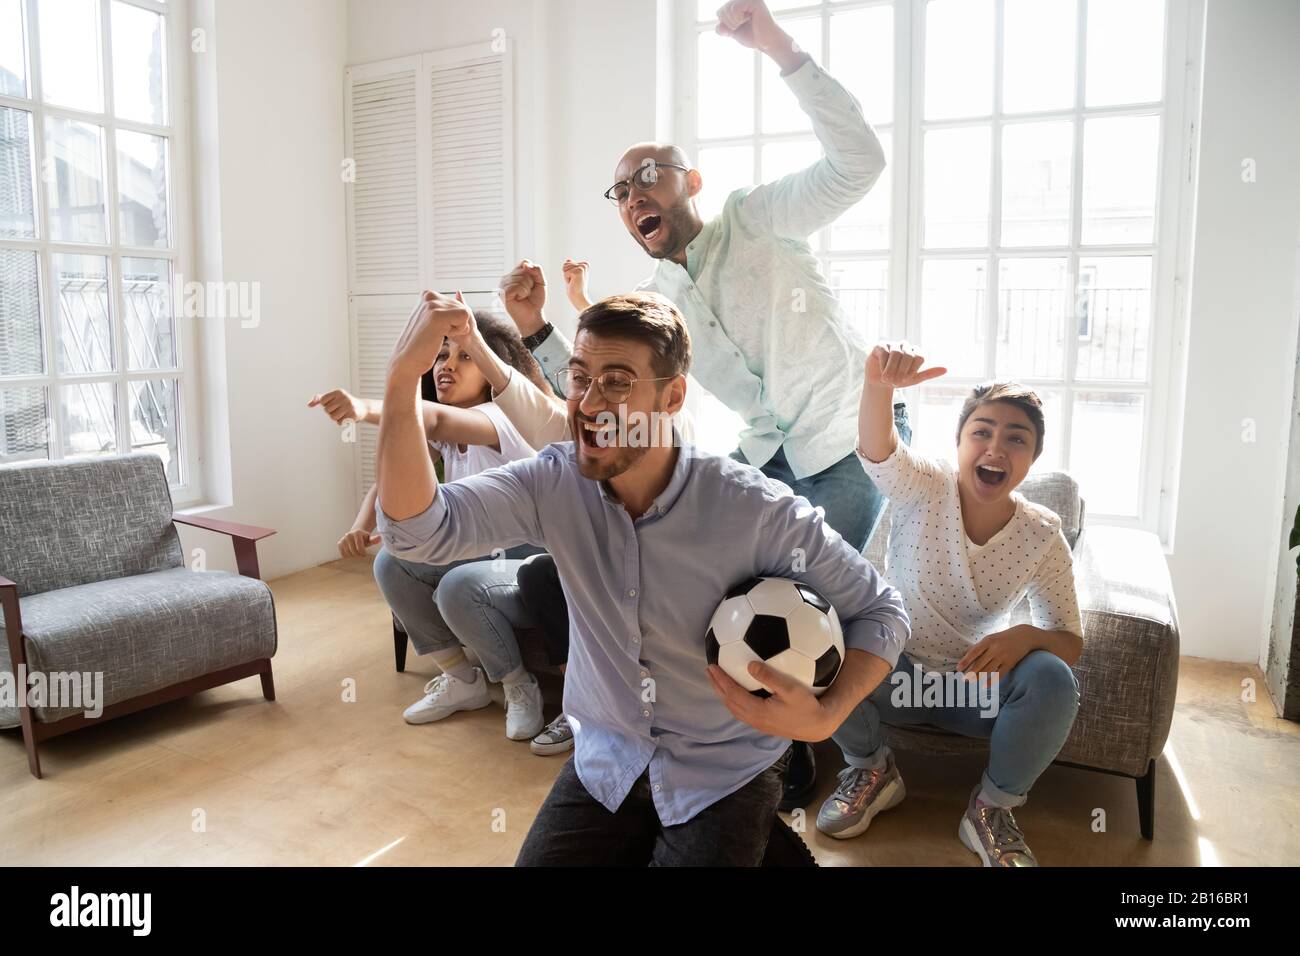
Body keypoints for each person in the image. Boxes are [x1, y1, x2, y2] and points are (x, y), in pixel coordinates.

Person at [500, 0, 908, 805]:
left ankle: (869, 765)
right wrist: (535, 328)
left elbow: (859, 163)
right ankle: (772, 777)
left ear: (692, 181)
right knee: (738, 610)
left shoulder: (758, 218)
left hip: (846, 441)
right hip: (768, 458)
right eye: (618, 191)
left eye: (647, 175)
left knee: (817, 614)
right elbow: (596, 393)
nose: (632, 196)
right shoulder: (660, 299)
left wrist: (780, 49)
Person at [373, 289, 910, 865]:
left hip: (724, 768)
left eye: (619, 381)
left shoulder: (754, 510)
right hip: (607, 758)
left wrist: (826, 715)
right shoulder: (552, 485)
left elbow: (883, 612)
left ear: (674, 395)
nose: (588, 402)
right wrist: (402, 378)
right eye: (580, 377)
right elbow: (415, 533)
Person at [817, 341, 1083, 867]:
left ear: (1033, 456)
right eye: (981, 432)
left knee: (1052, 676)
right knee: (822, 631)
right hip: (891, 676)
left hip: (973, 689)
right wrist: (878, 385)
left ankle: (990, 810)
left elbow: (1069, 640)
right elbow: (877, 448)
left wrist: (1025, 637)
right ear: (959, 442)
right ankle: (872, 770)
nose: (996, 449)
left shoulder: (1042, 534)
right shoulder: (926, 485)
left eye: (1016, 438)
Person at [310, 302, 552, 740]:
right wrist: (360, 526)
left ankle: (519, 685)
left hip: (529, 556)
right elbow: (387, 478)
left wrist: (365, 407)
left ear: (492, 370)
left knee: (457, 586)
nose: (446, 366)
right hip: (474, 547)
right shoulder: (445, 434)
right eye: (441, 355)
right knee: (389, 562)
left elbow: (434, 416)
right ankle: (463, 681)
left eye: (464, 357)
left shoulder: (502, 417)